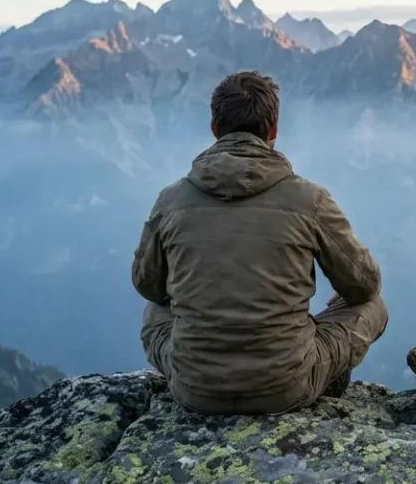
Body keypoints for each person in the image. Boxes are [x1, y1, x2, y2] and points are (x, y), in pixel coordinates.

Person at [132, 70, 388, 415]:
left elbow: (148, 286)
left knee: (154, 310)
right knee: (374, 306)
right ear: (273, 130)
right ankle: (326, 384)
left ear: (214, 128)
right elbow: (365, 286)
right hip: (286, 387)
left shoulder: (171, 200)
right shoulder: (311, 200)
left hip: (195, 389)